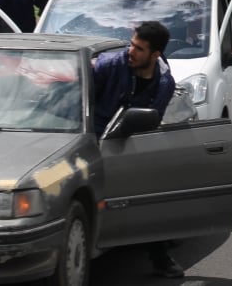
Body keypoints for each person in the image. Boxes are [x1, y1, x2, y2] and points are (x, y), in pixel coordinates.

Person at [92, 21, 183, 279]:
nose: (131, 51)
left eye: (139, 49)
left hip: (129, 146)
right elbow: (80, 102)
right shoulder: (109, 65)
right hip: (93, 141)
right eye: (132, 44)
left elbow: (152, 122)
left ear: (155, 55)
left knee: (149, 193)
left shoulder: (164, 83)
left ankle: (159, 258)